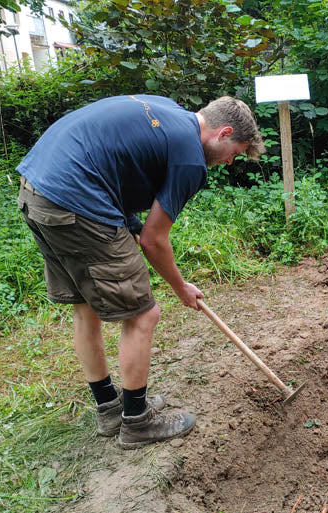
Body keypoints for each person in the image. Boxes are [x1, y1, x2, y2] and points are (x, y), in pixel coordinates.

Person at [16, 95, 265, 449]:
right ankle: (137, 422)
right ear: (224, 133)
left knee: (86, 306)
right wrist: (181, 288)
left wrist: (128, 223)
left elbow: (112, 163)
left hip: (37, 190)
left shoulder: (165, 111)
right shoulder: (189, 158)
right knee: (144, 315)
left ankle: (110, 410)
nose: (228, 162)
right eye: (234, 152)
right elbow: (154, 240)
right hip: (77, 202)